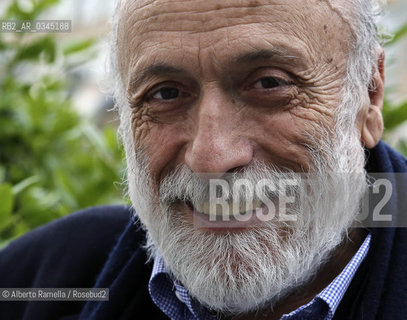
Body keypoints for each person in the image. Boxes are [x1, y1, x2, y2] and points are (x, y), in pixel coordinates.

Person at [0, 0, 406, 319]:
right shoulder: (36, 282)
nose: (211, 157)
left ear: (369, 97)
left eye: (269, 84)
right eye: (165, 94)